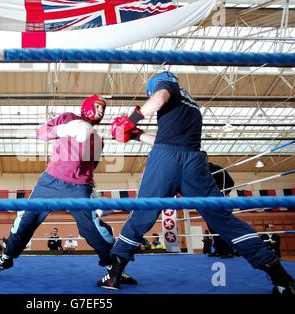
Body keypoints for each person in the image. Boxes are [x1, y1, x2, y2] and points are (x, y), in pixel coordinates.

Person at [100, 71, 294, 294]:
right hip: (194, 162)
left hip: (166, 160)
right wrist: (135, 135)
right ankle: (281, 278)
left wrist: (130, 120)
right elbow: (165, 140)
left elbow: (159, 99)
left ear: (155, 85)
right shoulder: (192, 104)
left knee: (143, 213)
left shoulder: (166, 87)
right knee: (223, 219)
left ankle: (114, 275)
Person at [0, 95, 137, 285]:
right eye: (98, 106)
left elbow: (92, 165)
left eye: (103, 109)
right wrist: (64, 129)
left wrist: (87, 183)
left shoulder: (98, 139)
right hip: (50, 182)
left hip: (79, 187)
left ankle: (114, 267)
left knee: (93, 229)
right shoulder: (67, 118)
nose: (101, 112)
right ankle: (6, 258)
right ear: (87, 105)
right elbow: (40, 133)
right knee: (25, 220)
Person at [202, 151, 236, 258]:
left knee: (222, 225)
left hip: (218, 200)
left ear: (206, 158)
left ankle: (228, 250)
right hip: (206, 202)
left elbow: (230, 183)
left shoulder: (217, 169)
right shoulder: (198, 171)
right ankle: (218, 249)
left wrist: (222, 193)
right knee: (211, 226)